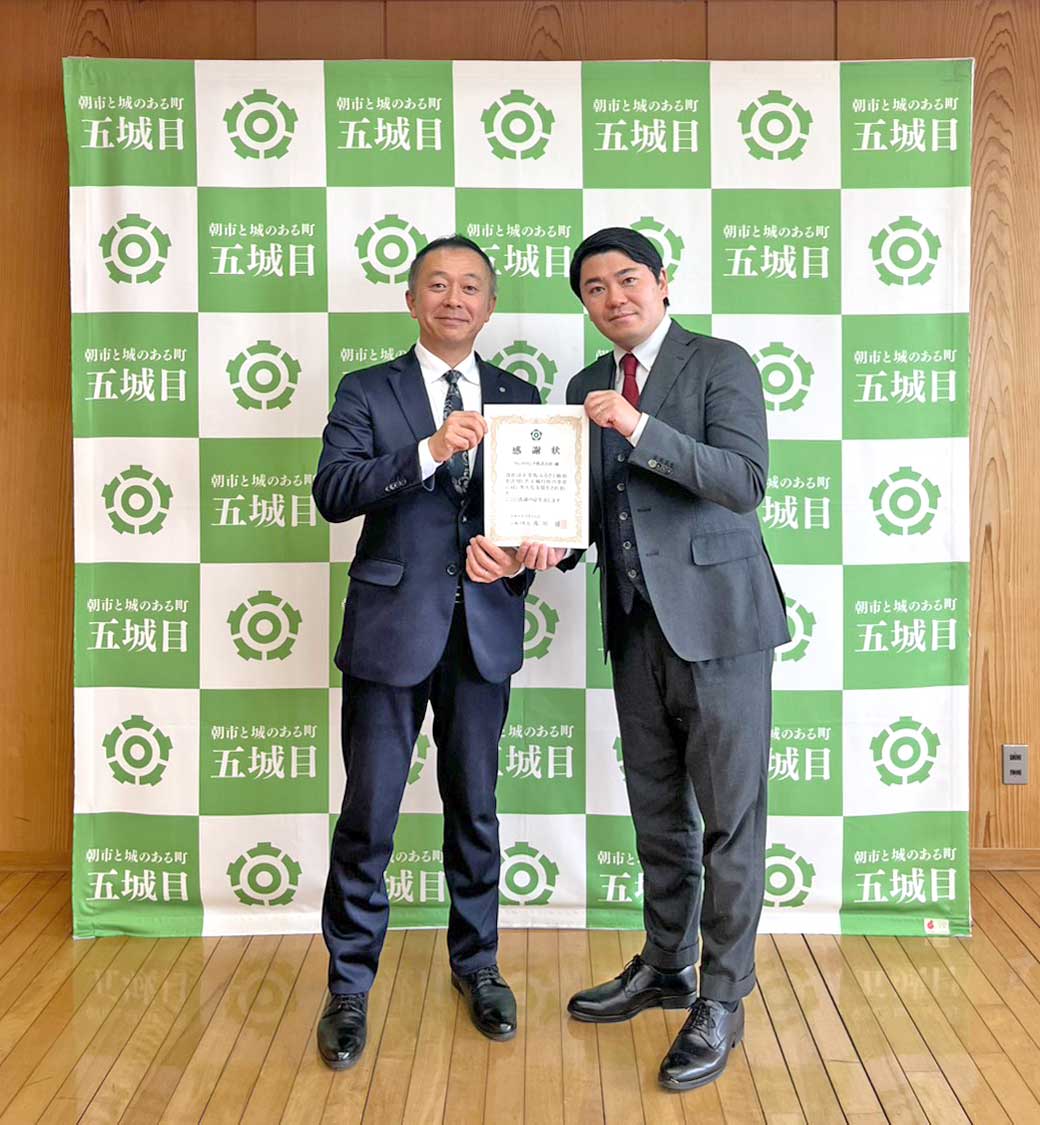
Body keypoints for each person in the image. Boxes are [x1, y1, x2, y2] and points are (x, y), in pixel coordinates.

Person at [545, 226, 788, 1091]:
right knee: (658, 815)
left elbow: (743, 480)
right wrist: (545, 541)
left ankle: (723, 996)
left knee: (730, 820)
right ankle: (664, 964)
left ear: (662, 281)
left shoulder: (720, 362)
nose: (613, 297)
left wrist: (639, 424)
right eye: (594, 287)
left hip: (721, 624)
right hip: (635, 625)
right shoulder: (583, 384)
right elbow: (589, 509)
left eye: (627, 279)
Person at [313, 235, 541, 1070]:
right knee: (369, 812)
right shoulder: (366, 389)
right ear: (412, 301)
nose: (454, 298)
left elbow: (537, 519)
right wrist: (430, 450)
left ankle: (478, 964)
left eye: (470, 286)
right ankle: (348, 984)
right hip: (390, 631)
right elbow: (334, 492)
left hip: (483, 630)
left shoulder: (521, 397)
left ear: (490, 305)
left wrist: (518, 558)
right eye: (437, 285)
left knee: (474, 806)